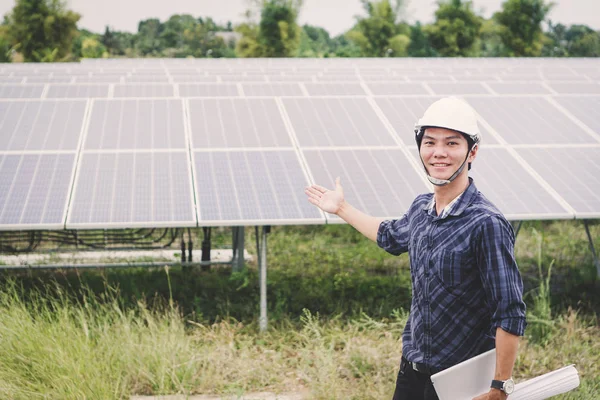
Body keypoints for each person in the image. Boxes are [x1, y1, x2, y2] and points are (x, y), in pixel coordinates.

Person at [304, 97, 527, 400]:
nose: (438, 152)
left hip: (460, 375)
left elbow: (509, 312)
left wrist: (500, 386)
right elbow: (390, 235)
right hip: (413, 366)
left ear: (472, 152)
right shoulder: (422, 208)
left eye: (451, 143)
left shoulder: (486, 223)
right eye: (430, 142)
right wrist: (341, 208)